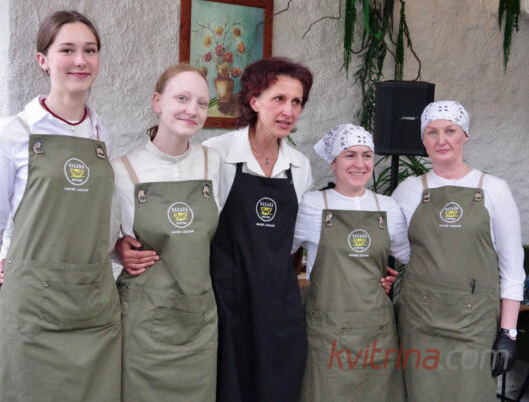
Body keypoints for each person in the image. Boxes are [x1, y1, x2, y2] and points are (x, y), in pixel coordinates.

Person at [0, 10, 121, 401]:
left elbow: (105, 218)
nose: (81, 60)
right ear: (43, 60)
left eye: (90, 50)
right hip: (32, 307)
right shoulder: (13, 133)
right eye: (67, 50)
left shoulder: (101, 136)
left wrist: (120, 247)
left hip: (93, 305)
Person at [392, 100, 526, 402]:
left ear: (465, 135)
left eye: (450, 131)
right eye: (432, 132)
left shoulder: (494, 189)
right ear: (423, 140)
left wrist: (508, 333)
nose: (441, 140)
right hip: (420, 325)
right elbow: (399, 249)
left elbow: (512, 268)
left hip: (475, 326)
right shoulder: (408, 191)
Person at [203, 57, 313, 402]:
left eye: (296, 102)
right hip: (227, 298)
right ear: (254, 101)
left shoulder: (300, 166)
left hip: (278, 301)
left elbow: (298, 236)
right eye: (278, 99)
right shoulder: (215, 155)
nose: (289, 111)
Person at [110, 64, 223, 401]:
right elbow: (102, 241)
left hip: (199, 320)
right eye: (182, 98)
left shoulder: (213, 163)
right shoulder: (121, 170)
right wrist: (118, 249)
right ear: (157, 102)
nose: (192, 110)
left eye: (201, 103)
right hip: (143, 321)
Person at [294, 124, 408, 402]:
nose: (360, 163)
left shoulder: (387, 207)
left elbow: (414, 258)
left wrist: (397, 279)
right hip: (327, 333)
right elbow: (278, 254)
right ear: (333, 162)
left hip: (377, 332)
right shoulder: (311, 205)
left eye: (367, 155)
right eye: (349, 155)